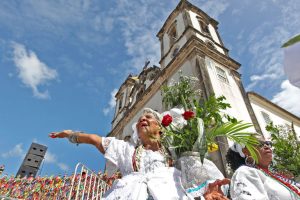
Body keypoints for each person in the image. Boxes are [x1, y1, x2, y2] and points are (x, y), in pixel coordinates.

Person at [50, 108, 229, 200]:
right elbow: (94, 139)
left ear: (160, 127)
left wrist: (208, 190)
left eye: (149, 118)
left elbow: (195, 178)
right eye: (140, 119)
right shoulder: (125, 149)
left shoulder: (176, 153)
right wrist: (70, 135)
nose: (143, 119)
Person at [226, 140, 300, 199]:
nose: (266, 146)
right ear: (245, 151)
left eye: (267, 143)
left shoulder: (276, 176)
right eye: (259, 144)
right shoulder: (245, 172)